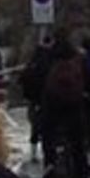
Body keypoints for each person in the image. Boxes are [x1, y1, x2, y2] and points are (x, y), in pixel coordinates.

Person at [39, 30, 90, 178]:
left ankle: (50, 163)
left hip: (53, 106)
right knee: (78, 149)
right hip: (74, 108)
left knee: (47, 132)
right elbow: (89, 80)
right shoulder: (78, 59)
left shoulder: (49, 57)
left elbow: (38, 79)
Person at [19, 34, 54, 163]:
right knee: (48, 127)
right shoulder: (51, 59)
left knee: (35, 126)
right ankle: (48, 153)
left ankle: (33, 152)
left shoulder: (34, 59)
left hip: (33, 99)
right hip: (48, 99)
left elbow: (22, 78)